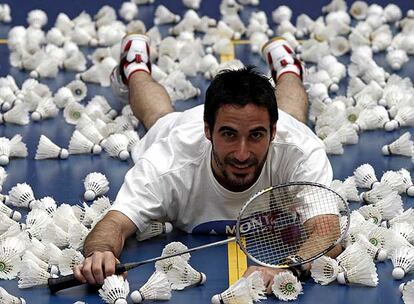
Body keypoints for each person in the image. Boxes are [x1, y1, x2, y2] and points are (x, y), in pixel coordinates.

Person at [74, 34, 337, 292]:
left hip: (288, 130)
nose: (243, 154)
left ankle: (288, 67)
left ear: (273, 132)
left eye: (256, 134)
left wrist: (287, 268)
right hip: (180, 131)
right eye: (229, 134)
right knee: (159, 116)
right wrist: (100, 253)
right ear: (208, 130)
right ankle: (135, 66)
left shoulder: (299, 152)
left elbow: (328, 232)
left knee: (294, 116)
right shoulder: (168, 163)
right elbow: (115, 223)